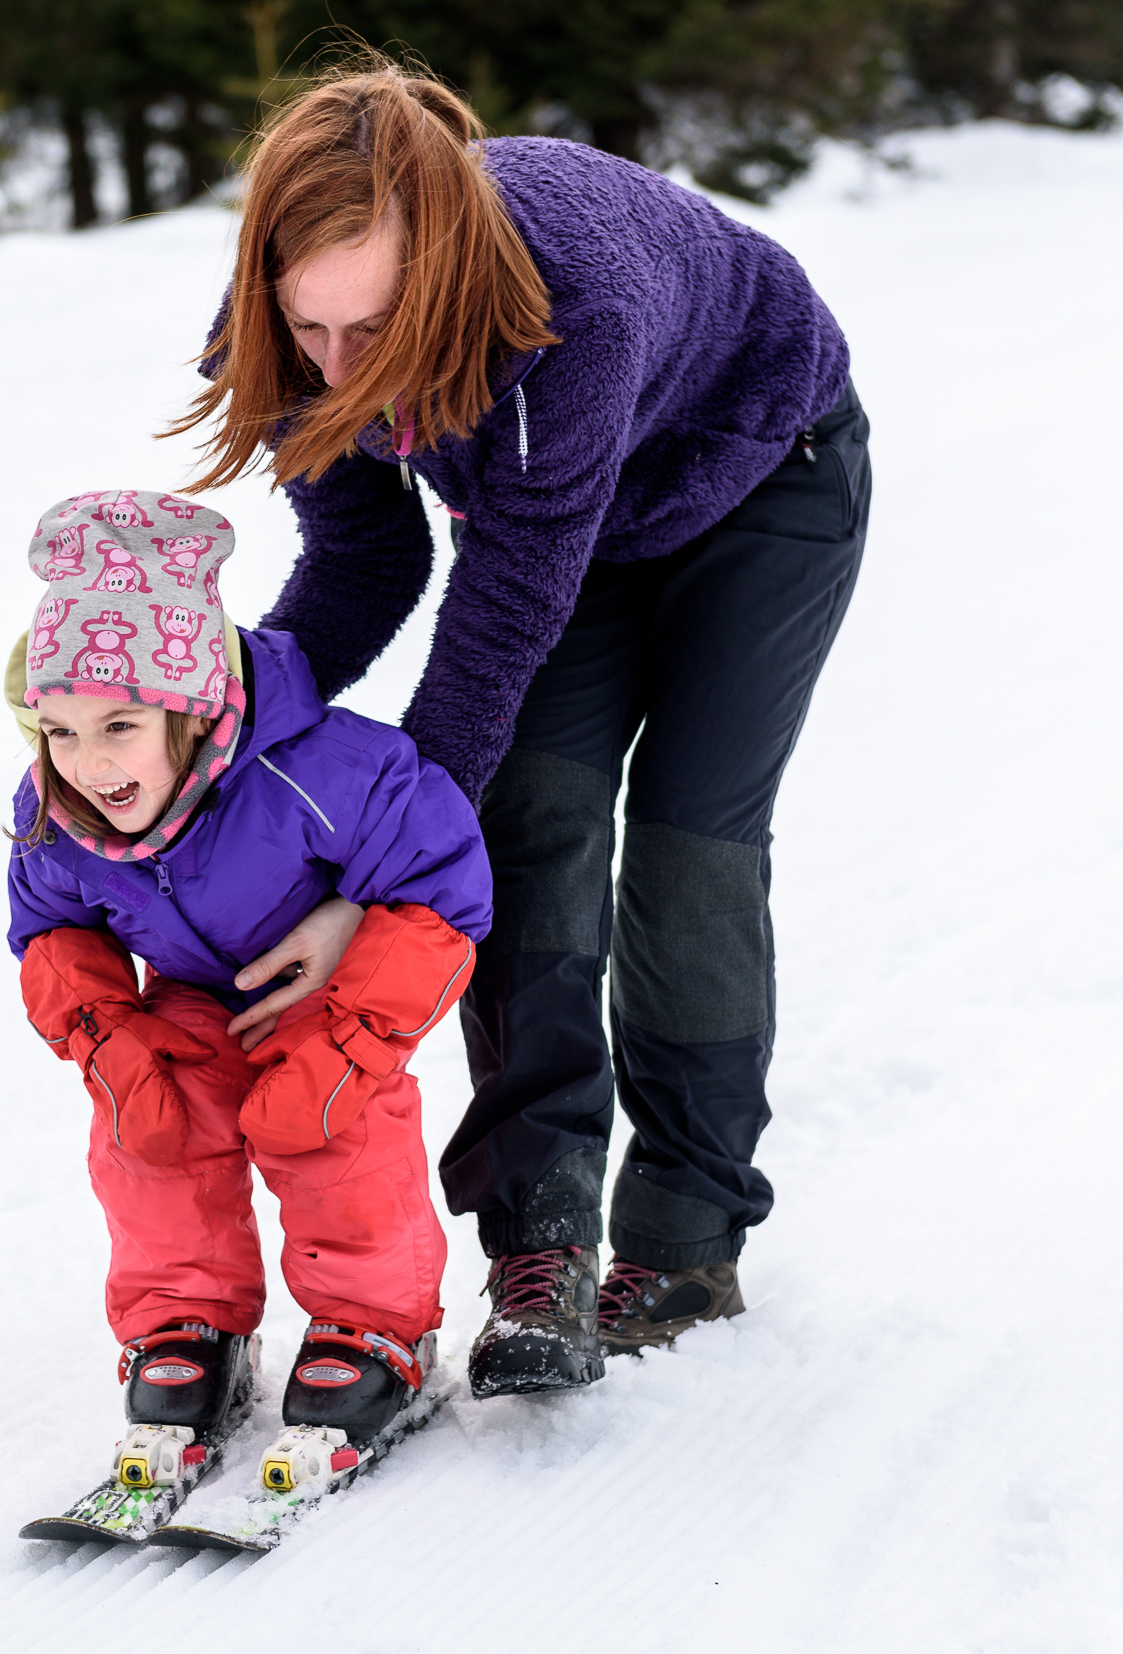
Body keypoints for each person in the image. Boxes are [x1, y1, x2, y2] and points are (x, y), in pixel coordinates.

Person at [170, 61, 871, 1396]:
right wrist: (223, 748)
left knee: (685, 842)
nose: (332, 366)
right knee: (523, 824)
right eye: (305, 327)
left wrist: (363, 891)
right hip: (564, 531)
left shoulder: (565, 308)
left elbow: (491, 629)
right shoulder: (283, 329)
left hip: (762, 477)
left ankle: (683, 1236)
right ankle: (539, 1244)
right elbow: (366, 565)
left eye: (368, 332)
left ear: (434, 276)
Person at [5, 487, 490, 1490]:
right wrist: (104, 1033)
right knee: (152, 1123)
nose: (87, 763)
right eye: (57, 730)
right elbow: (51, 923)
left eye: (119, 725)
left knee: (330, 1124)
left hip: (332, 994)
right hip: (189, 993)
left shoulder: (322, 767)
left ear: (189, 706)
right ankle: (186, 1325)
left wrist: (355, 1035)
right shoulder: (57, 805)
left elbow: (443, 880)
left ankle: (377, 1330)